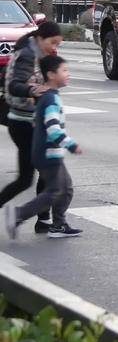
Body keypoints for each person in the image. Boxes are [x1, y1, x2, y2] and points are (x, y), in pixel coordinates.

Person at [5, 53, 82, 239]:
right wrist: (71, 145)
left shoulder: (48, 96)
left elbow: (37, 122)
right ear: (51, 75)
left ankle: (58, 224)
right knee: (55, 191)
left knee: (65, 188)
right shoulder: (50, 99)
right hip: (48, 154)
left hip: (47, 152)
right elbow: (54, 130)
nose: (68, 74)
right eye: (64, 70)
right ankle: (18, 214)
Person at [0, 23, 60, 233]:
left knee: (38, 174)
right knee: (33, 176)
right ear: (40, 38)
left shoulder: (36, 53)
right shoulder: (27, 54)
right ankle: (43, 220)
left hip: (28, 121)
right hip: (22, 122)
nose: (53, 47)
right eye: (52, 43)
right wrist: (35, 91)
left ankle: (44, 220)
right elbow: (14, 85)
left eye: (57, 44)